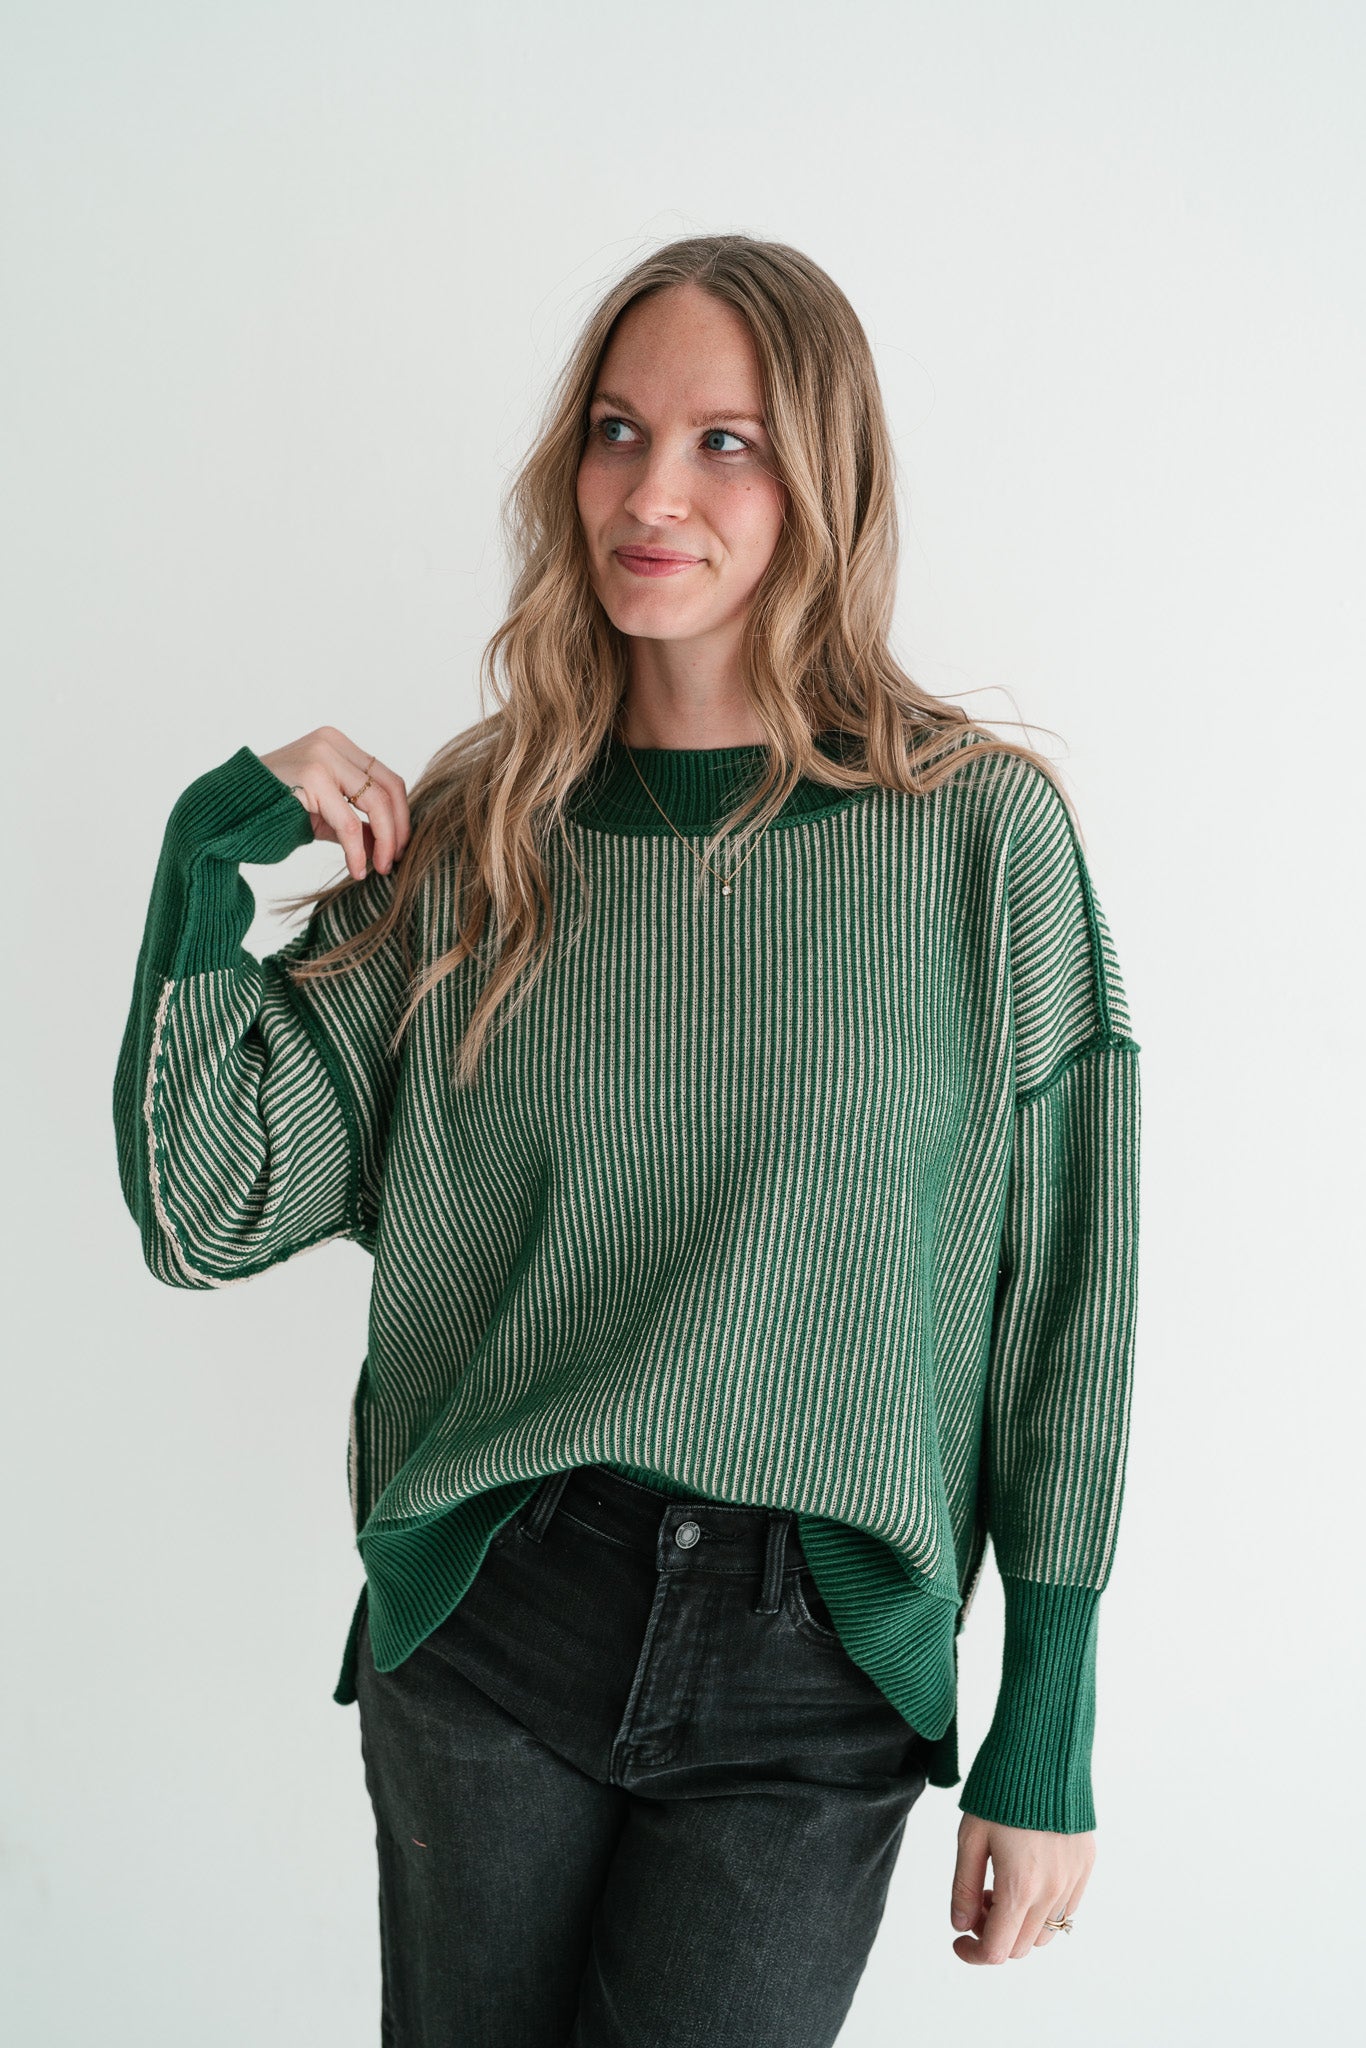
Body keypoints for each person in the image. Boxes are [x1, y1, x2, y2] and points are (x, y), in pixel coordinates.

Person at [113, 234, 1142, 2044]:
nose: (651, 492)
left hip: (816, 1650)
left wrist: (1042, 1722)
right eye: (615, 430)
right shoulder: (479, 833)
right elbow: (208, 1209)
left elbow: (1066, 1301)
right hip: (496, 1622)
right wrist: (206, 867)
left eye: (724, 442)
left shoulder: (978, 841)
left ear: (822, 480)